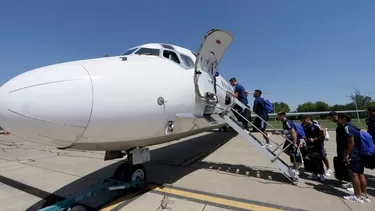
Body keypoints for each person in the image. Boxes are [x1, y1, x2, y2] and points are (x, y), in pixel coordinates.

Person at [338, 113, 370, 203]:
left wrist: (346, 154)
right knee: (360, 174)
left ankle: (357, 196)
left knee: (353, 174)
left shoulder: (348, 127)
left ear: (344, 118)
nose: (339, 121)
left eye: (339, 119)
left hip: (353, 154)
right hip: (359, 153)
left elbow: (351, 142)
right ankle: (364, 194)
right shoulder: (354, 126)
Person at [327, 111, 354, 192]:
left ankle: (350, 182)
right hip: (340, 147)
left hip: (345, 147)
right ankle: (344, 179)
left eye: (330, 118)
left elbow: (349, 139)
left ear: (336, 116)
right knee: (341, 163)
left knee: (347, 164)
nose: (330, 120)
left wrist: (347, 152)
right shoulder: (339, 124)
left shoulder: (345, 125)